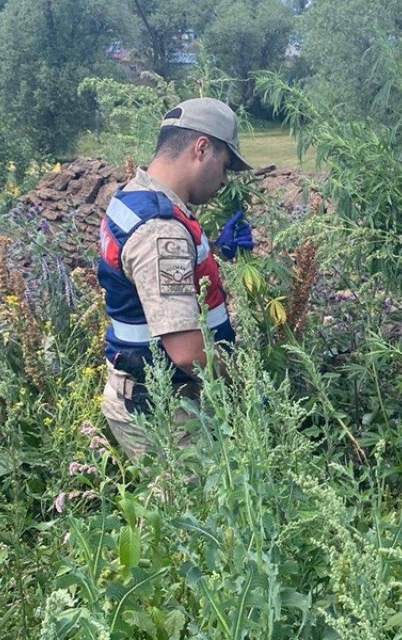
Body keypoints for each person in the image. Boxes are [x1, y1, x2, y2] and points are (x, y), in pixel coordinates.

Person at [97, 97, 255, 460]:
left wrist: (212, 251)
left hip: (155, 399)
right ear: (202, 148)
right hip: (165, 413)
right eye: (225, 165)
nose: (224, 179)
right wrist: (247, 381)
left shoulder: (136, 197)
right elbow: (187, 353)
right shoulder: (159, 230)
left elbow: (147, 277)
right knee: (192, 512)